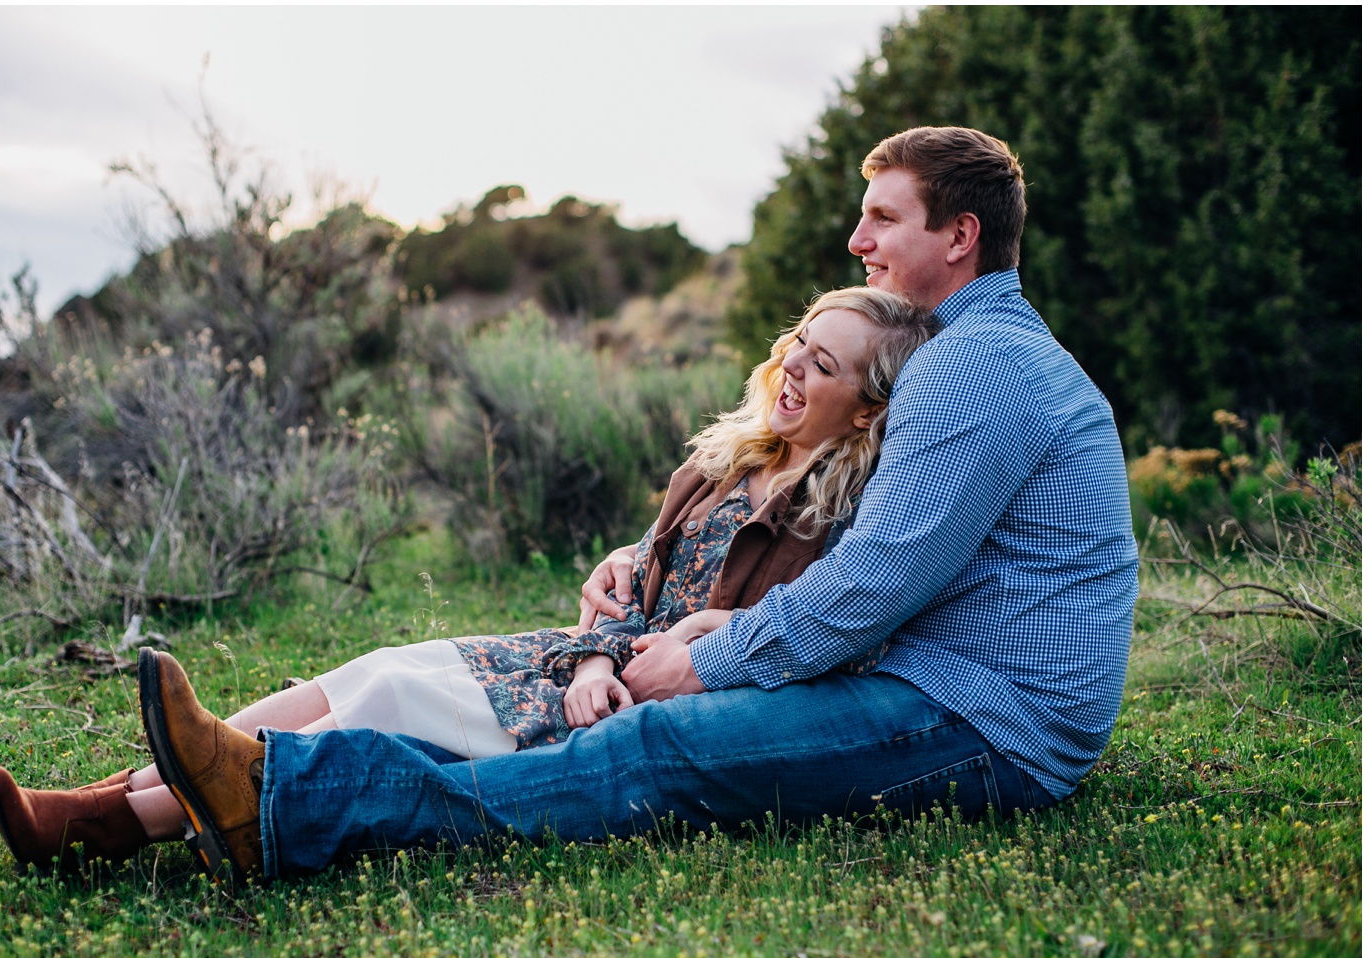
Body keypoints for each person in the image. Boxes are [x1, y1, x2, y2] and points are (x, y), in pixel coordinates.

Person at [84, 124, 1138, 885]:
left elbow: (873, 580)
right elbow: (880, 566)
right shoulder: (977, 358)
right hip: (946, 683)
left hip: (987, 719)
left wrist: (708, 657)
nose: (858, 239)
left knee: (655, 754)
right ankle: (180, 790)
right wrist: (665, 593)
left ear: (959, 237)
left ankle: (275, 799)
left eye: (882, 219)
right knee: (488, 686)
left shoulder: (973, 366)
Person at [0, 285, 942, 875]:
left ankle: (117, 822)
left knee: (394, 697)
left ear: (866, 411)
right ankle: (109, 797)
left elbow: (770, 633)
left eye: (828, 364)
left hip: (627, 702)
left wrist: (634, 657)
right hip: (584, 661)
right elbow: (640, 578)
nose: (796, 368)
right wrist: (596, 632)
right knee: (377, 664)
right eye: (800, 344)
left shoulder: (837, 515)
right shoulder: (732, 457)